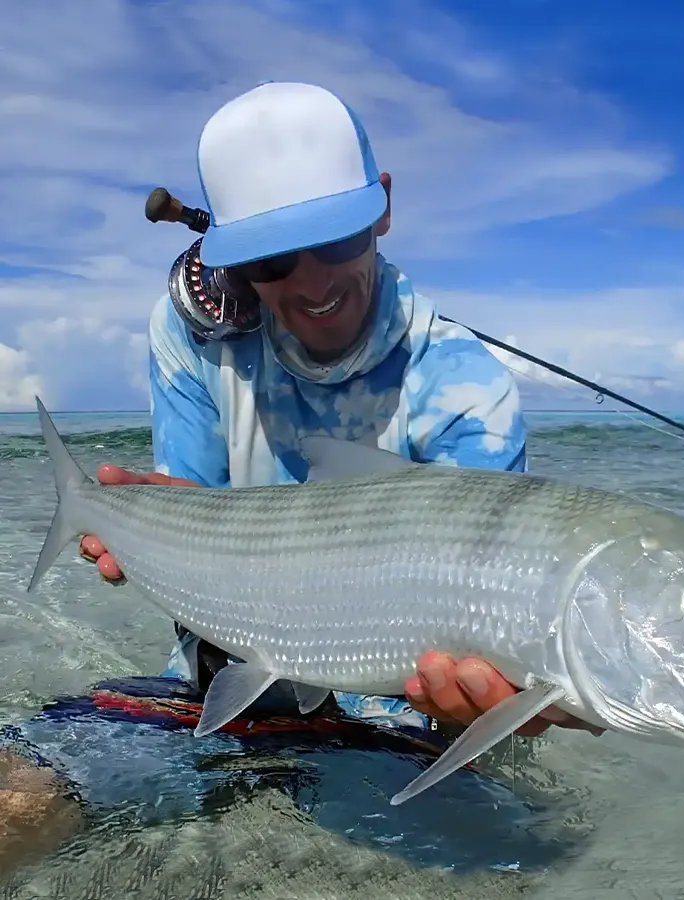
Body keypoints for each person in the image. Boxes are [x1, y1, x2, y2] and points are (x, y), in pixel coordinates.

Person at [0, 81, 597, 877]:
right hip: (227, 692)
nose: (314, 284)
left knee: (529, 865)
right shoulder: (190, 334)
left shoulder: (465, 386)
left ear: (381, 208)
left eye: (339, 241)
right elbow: (196, 511)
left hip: (404, 730)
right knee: (15, 804)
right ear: (232, 257)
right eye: (274, 259)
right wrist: (155, 534)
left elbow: (483, 645)